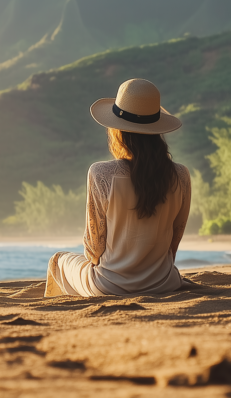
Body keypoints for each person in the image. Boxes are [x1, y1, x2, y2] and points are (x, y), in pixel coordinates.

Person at [45, 78, 191, 297]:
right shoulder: (181, 175)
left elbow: (93, 250)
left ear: (118, 131)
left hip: (109, 286)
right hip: (164, 283)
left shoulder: (101, 173)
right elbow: (173, 243)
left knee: (58, 260)